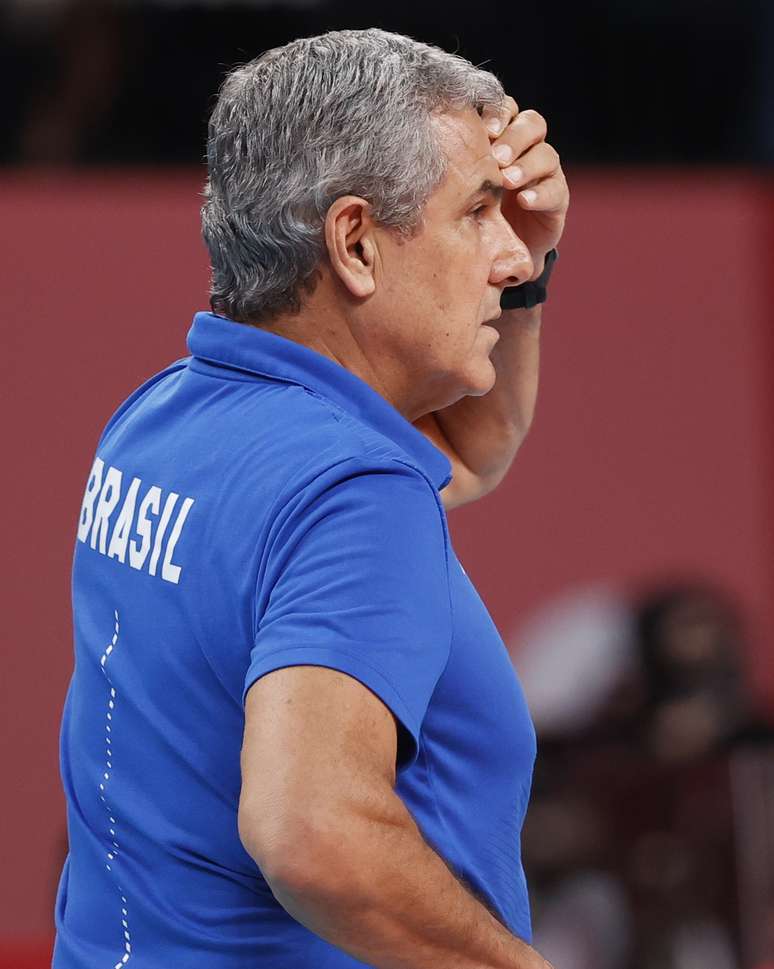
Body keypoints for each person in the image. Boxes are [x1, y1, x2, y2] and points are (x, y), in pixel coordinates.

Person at [53, 28, 568, 969]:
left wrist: (535, 273)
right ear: (356, 242)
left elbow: (472, 452)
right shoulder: (355, 490)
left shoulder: (160, 420)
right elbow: (312, 833)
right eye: (479, 213)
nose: (514, 259)